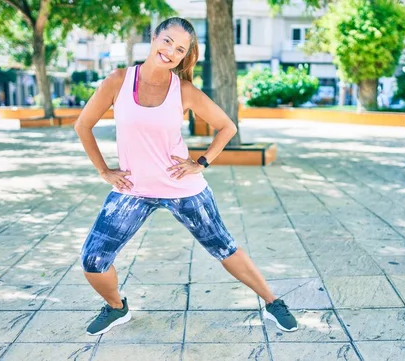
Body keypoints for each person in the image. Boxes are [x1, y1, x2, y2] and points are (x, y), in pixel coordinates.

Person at [74, 17, 298, 336]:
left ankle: (273, 303)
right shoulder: (118, 80)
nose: (171, 51)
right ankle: (115, 307)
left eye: (180, 49)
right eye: (167, 41)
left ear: (183, 56)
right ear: (154, 38)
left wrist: (201, 162)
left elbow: (227, 127)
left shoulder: (185, 91)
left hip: (183, 188)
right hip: (133, 189)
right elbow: (83, 125)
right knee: (93, 259)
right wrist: (104, 170)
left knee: (225, 248)